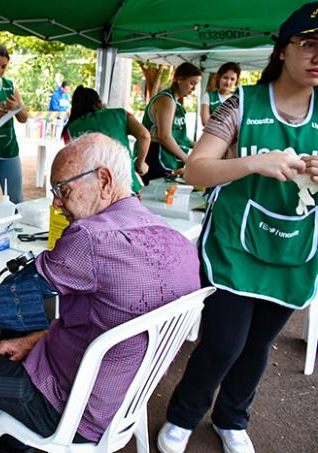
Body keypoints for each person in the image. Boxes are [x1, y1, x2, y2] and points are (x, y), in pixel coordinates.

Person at [0, 133, 201, 452]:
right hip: (120, 402)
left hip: (60, 409)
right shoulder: (177, 242)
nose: (55, 202)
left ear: (104, 180)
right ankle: (15, 440)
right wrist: (38, 340)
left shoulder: (90, 238)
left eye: (62, 190)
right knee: (23, 318)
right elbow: (115, 325)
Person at [157, 4, 318, 453]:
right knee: (224, 344)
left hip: (294, 249)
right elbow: (195, 171)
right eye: (308, 43)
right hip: (234, 246)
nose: (316, 55)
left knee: (259, 346)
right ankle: (183, 415)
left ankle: (232, 418)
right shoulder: (241, 103)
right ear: (282, 50)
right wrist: (254, 163)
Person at [62, 86, 150, 194]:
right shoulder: (120, 114)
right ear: (98, 103)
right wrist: (140, 163)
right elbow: (144, 135)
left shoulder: (69, 131)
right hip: (127, 188)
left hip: (93, 195)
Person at [0, 44, 29, 219]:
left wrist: (17, 107)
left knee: (16, 199)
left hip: (8, 151)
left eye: (3, 67)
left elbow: (23, 118)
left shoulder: (9, 86)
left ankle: (18, 234)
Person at [141, 62, 202, 182]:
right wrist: (187, 159)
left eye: (196, 85)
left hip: (167, 157)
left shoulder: (176, 102)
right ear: (179, 79)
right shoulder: (166, 100)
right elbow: (164, 136)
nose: (194, 89)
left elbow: (177, 134)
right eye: (191, 83)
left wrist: (197, 145)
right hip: (156, 156)